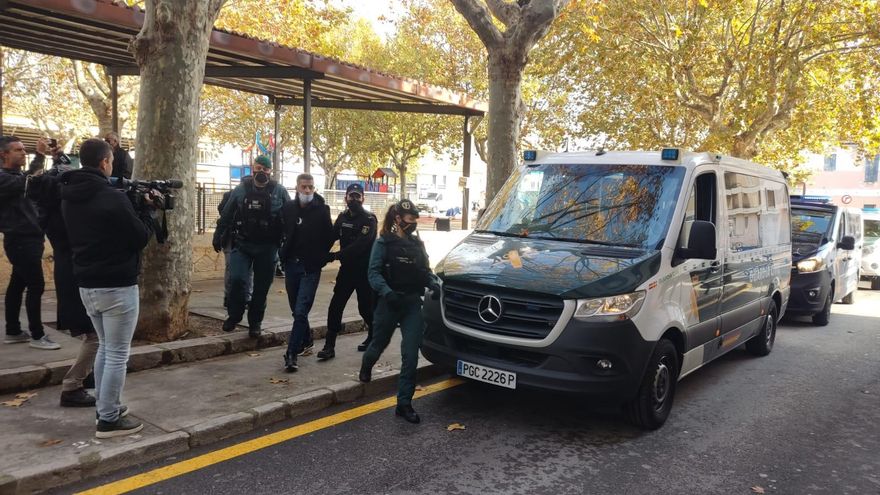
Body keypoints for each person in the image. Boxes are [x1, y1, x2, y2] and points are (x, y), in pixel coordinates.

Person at [61, 138, 159, 438]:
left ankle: (107, 405)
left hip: (87, 284)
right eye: (112, 161)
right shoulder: (111, 197)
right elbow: (139, 237)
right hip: (117, 285)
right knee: (117, 353)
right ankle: (108, 419)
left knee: (106, 346)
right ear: (105, 162)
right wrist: (148, 212)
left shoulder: (68, 195)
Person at [28, 138, 98, 406]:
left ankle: (87, 374)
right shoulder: (67, 212)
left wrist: (57, 158)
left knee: (91, 333)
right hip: (77, 274)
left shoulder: (49, 211)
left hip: (68, 274)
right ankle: (72, 386)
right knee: (95, 335)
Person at [358, 199, 441, 424]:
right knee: (378, 344)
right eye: (410, 218)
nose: (414, 222)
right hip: (389, 303)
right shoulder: (383, 243)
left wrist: (434, 283)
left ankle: (404, 404)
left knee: (411, 354)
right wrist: (386, 292)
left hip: (412, 303)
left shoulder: (417, 244)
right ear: (398, 219)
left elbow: (425, 270)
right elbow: (373, 273)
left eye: (415, 218)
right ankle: (366, 366)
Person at [213, 155, 289, 338]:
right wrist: (218, 234)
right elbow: (227, 214)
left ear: (270, 171)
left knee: (261, 288)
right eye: (259, 167)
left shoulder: (279, 191)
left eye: (265, 169)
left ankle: (255, 322)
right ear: (252, 168)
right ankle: (234, 315)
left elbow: (290, 217)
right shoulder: (241, 189)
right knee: (237, 280)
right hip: (243, 244)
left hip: (268, 247)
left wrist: (289, 244)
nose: (261, 171)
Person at [0, 136, 61, 350]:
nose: (23, 153)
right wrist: (40, 155)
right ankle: (37, 335)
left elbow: (44, 181)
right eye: (17, 150)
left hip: (31, 238)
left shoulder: (19, 176)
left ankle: (13, 330)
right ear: (4, 154)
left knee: (17, 285)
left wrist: (55, 157)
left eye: (24, 149)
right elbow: (27, 181)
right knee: (36, 285)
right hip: (20, 239)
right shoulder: (4, 178)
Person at [318, 183, 377, 360]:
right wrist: (319, 253)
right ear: (346, 198)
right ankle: (329, 346)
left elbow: (360, 246)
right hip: (347, 271)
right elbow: (331, 236)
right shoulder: (343, 218)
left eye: (357, 196)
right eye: (351, 196)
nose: (354, 200)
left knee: (365, 308)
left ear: (363, 198)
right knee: (336, 305)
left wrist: (335, 256)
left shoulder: (369, 220)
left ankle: (374, 336)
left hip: (364, 272)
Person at [280, 173, 333, 372]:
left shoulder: (322, 210)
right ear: (297, 188)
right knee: (296, 309)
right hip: (292, 265)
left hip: (310, 268)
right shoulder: (288, 208)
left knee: (302, 310)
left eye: (311, 187)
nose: (308, 190)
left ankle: (291, 353)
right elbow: (282, 230)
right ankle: (306, 338)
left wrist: (318, 255)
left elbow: (329, 236)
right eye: (304, 187)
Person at [217, 190, 252, 309]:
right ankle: (229, 297)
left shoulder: (258, 196)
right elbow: (223, 215)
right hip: (230, 238)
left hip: (248, 239)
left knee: (248, 270)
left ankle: (246, 297)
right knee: (231, 268)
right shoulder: (230, 195)